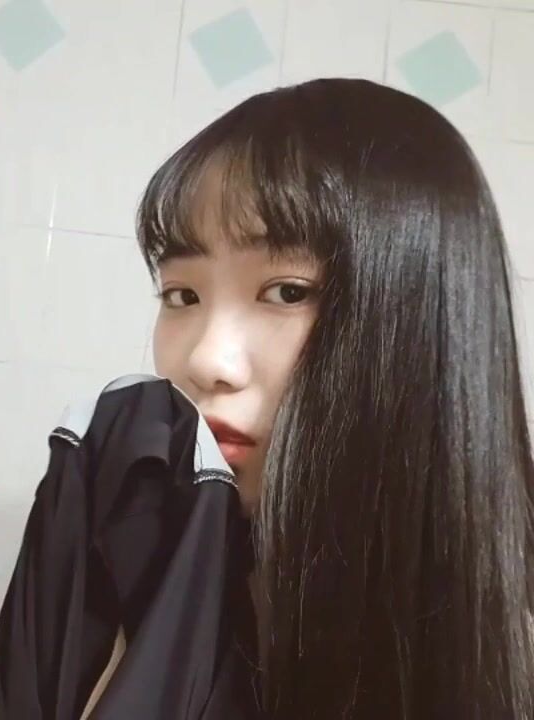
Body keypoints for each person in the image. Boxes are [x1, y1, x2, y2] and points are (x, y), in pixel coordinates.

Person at [127, 78, 534, 718]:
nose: (205, 362)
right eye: (183, 295)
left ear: (421, 320)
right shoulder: (131, 557)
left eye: (287, 292)